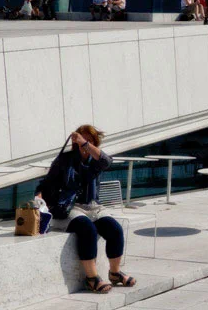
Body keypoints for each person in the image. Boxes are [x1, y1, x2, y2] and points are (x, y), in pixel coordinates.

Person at [36, 125, 136, 294]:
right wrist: (39, 196)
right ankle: (92, 278)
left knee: (115, 229)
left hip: (92, 206)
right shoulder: (65, 160)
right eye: (81, 140)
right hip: (69, 207)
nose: (84, 143)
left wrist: (86, 144)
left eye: (89, 141)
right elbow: (46, 182)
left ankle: (115, 273)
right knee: (87, 229)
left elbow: (107, 161)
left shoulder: (96, 161)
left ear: (94, 143)